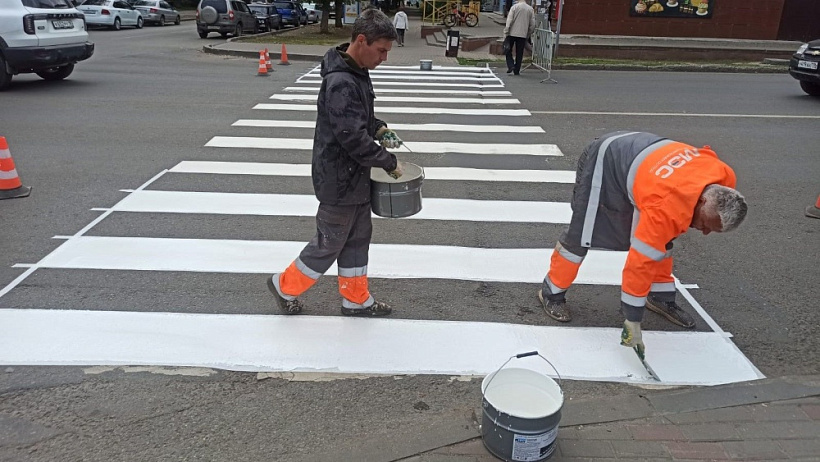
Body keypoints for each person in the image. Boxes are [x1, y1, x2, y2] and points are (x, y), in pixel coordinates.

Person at [538, 131, 747, 358]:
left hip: (644, 160)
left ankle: (660, 297)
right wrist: (632, 321)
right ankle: (551, 292)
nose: (705, 232)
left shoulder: (724, 180)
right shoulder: (664, 205)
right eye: (706, 224)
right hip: (606, 159)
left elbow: (657, 241)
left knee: (661, 240)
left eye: (712, 230)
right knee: (583, 232)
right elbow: (640, 263)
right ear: (703, 200)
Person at [267, 8, 404, 317]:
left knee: (357, 239)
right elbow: (352, 137)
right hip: (338, 179)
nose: (384, 58)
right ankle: (284, 285)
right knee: (329, 242)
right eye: (381, 50)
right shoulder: (342, 81)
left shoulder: (356, 70)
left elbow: (359, 119)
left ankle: (355, 298)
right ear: (361, 41)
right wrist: (387, 161)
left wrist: (380, 127)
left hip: (352, 178)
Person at [503, 0, 535, 75]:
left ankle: (510, 65)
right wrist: (528, 33)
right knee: (519, 53)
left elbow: (509, 21)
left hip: (512, 33)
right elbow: (532, 24)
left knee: (507, 50)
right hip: (523, 34)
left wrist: (506, 32)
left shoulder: (514, 7)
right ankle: (517, 70)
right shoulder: (530, 9)